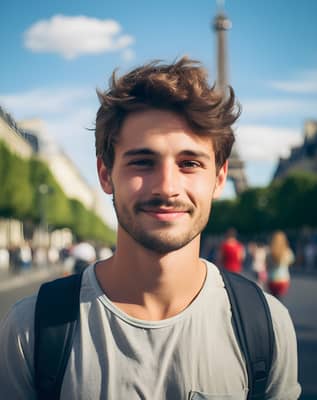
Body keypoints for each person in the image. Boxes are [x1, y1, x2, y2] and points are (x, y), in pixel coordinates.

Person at [0, 57, 301, 399]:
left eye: (189, 163)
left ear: (219, 178)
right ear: (105, 175)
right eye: (143, 162)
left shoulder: (268, 327)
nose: (166, 187)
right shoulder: (29, 330)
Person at [266, 230, 295, 299]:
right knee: (280, 299)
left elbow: (267, 265)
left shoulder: (269, 252)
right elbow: (291, 262)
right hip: (283, 279)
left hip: (272, 279)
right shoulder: (287, 251)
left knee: (273, 300)